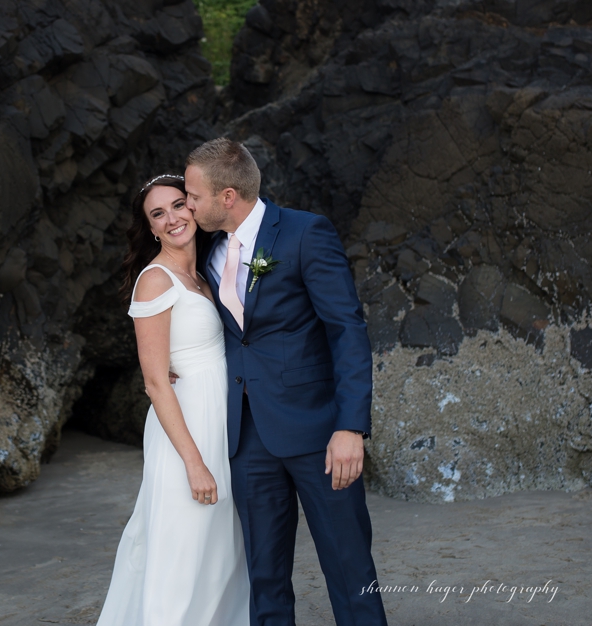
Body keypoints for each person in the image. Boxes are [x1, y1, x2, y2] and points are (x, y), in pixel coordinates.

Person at [184, 138, 389, 626]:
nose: (187, 204)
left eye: (193, 195)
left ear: (228, 196)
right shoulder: (206, 247)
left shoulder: (304, 233)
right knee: (265, 578)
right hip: (247, 436)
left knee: (348, 565)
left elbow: (347, 330)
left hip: (319, 431)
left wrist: (351, 427)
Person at [96, 174, 250, 626]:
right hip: (186, 433)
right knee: (182, 550)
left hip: (220, 422)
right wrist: (194, 463)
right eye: (157, 214)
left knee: (220, 550)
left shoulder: (205, 273)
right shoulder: (155, 281)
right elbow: (156, 382)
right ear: (151, 230)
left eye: (179, 205)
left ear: (196, 208)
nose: (173, 218)